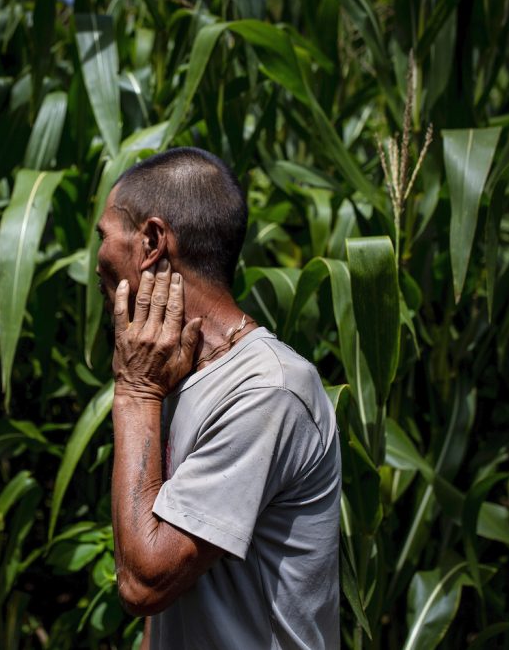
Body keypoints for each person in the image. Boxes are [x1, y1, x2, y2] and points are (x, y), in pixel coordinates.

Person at [95, 147, 341, 649]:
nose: (98, 260)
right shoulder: (176, 372)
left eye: (104, 237)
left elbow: (145, 582)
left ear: (151, 242)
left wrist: (135, 392)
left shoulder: (268, 392)